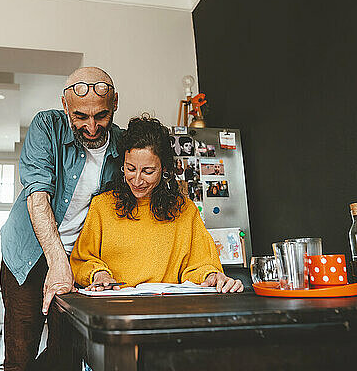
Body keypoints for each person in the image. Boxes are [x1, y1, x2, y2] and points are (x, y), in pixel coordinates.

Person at [0, 67, 123, 371]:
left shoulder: (122, 143)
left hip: (77, 258)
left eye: (101, 115)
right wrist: (57, 261)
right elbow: (38, 194)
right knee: (21, 352)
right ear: (65, 106)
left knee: (67, 352)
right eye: (80, 116)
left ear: (115, 104)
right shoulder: (46, 125)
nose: (92, 127)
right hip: (29, 255)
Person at [70, 116, 243, 293]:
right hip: (115, 310)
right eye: (130, 169)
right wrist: (99, 274)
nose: (137, 180)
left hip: (167, 311)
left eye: (148, 171)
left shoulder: (185, 210)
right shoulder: (102, 206)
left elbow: (201, 265)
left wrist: (212, 277)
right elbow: (81, 260)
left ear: (165, 169)